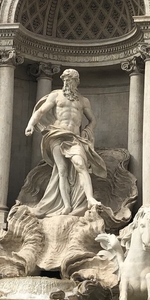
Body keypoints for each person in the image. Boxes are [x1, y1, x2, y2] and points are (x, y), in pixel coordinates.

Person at [25, 69, 107, 216]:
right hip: (57, 134)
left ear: (76, 81)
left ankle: (90, 199)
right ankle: (67, 206)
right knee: (61, 170)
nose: (66, 82)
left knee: (81, 164)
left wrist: (87, 130)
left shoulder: (83, 101)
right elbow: (41, 111)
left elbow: (92, 120)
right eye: (64, 79)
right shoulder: (56, 95)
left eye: (69, 80)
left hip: (74, 138)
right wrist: (30, 124)